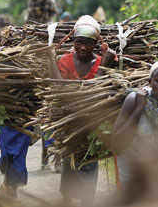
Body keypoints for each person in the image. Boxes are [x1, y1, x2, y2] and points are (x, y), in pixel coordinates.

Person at [48, 15, 116, 206]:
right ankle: (67, 199)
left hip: (91, 124)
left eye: (88, 43)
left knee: (88, 163)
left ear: (96, 44)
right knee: (69, 166)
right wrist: (52, 60)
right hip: (68, 124)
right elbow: (58, 88)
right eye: (79, 43)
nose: (84, 48)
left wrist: (104, 64)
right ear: (73, 42)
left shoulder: (102, 62)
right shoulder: (65, 60)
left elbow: (96, 90)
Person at [112, 62, 158, 191]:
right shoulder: (135, 99)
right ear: (150, 82)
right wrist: (139, 108)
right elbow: (117, 143)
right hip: (132, 165)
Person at [0, 126, 31, 198]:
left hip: (24, 123)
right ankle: (7, 182)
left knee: (18, 158)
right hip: (5, 122)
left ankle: (13, 189)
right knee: (5, 155)